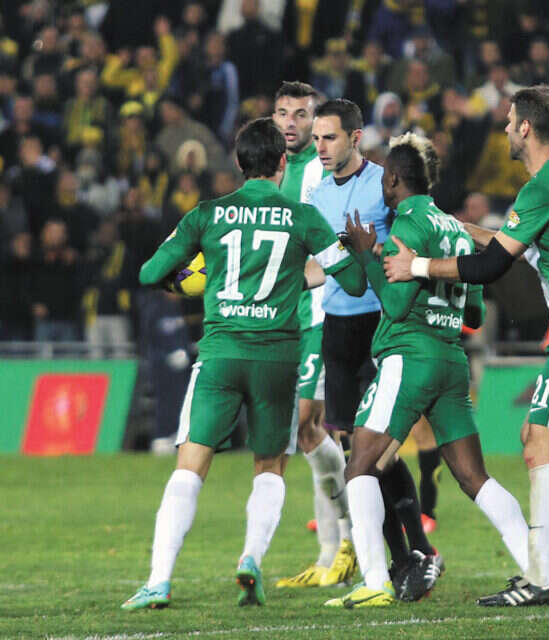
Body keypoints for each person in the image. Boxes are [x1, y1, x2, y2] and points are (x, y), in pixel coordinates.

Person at [384, 85, 549, 605]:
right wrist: (462, 227)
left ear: (525, 127)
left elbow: (490, 267)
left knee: (540, 446)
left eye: (508, 121)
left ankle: (541, 580)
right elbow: (518, 247)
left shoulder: (541, 187)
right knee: (538, 436)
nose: (503, 129)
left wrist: (418, 265)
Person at [122, 117, 367, 611]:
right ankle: (251, 558)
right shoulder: (303, 217)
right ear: (282, 164)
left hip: (221, 355)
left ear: (237, 162)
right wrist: (348, 252)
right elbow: (354, 282)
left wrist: (190, 278)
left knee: (190, 465)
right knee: (269, 466)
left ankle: (159, 580)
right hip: (277, 359)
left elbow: (149, 273)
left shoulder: (207, 214)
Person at [323, 133, 531, 608]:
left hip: (409, 356)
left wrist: (367, 254)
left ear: (395, 179)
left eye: (384, 179)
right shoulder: (455, 228)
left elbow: (396, 306)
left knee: (359, 466)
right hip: (451, 360)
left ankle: (376, 581)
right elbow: (473, 313)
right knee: (474, 478)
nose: (382, 187)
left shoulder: (407, 223)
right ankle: (537, 570)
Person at [308, 98, 440, 598]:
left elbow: (414, 237)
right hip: (337, 330)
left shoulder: (384, 184)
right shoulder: (318, 195)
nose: (321, 147)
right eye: (317, 138)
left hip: (378, 326)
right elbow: (321, 265)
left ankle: (420, 551)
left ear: (355, 137)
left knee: (377, 450)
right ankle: (403, 558)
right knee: (354, 453)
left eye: (329, 137)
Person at [269, 81, 358, 590]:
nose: (290, 122)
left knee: (310, 422)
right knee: (310, 434)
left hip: (325, 310)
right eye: (283, 112)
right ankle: (331, 552)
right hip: (293, 315)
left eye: (300, 114)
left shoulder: (319, 172)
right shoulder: (276, 171)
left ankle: (349, 541)